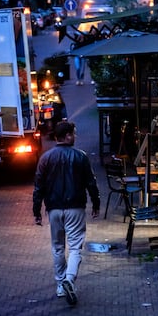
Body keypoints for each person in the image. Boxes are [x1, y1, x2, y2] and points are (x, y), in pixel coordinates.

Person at [32, 120, 100, 306]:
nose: (75, 136)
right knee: (76, 246)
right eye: (74, 133)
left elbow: (39, 186)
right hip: (75, 207)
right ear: (67, 135)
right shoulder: (81, 156)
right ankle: (70, 279)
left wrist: (36, 210)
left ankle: (61, 285)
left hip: (54, 208)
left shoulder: (46, 158)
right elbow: (91, 183)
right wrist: (96, 203)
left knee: (57, 247)